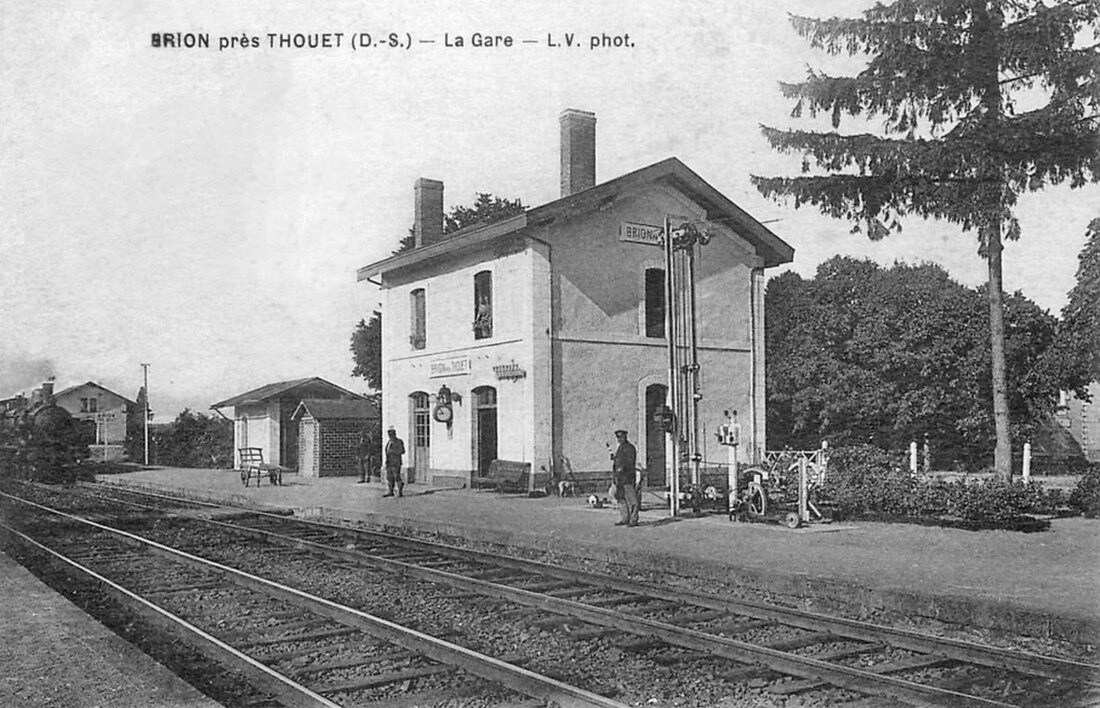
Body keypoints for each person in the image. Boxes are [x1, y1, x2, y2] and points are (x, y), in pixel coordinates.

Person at [610, 429, 640, 527]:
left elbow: (630, 462)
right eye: (618, 437)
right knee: (620, 497)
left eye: (621, 437)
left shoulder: (630, 448)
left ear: (625, 437)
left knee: (632, 500)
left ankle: (633, 519)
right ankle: (625, 517)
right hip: (619, 478)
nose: (619, 439)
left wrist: (622, 468)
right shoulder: (620, 448)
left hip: (627, 478)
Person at [383, 426, 405, 497]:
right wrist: (386, 462)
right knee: (389, 477)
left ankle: (400, 491)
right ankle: (390, 491)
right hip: (389, 462)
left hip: (396, 462)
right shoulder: (389, 442)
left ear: (394, 434)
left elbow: (402, 451)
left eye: (391, 434)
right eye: (389, 434)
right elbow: (387, 452)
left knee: (397, 477)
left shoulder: (399, 442)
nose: (390, 436)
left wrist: (393, 451)